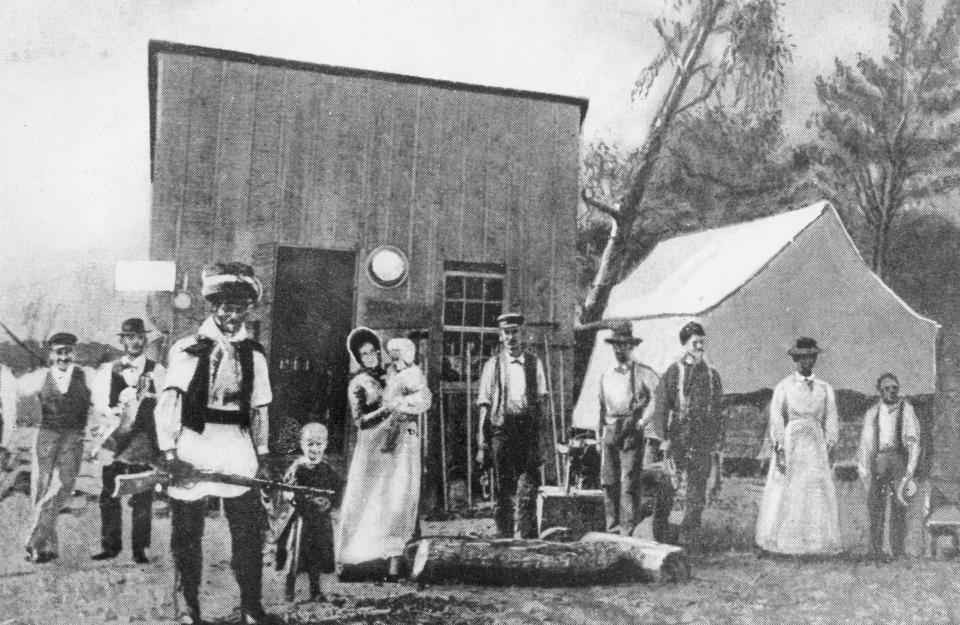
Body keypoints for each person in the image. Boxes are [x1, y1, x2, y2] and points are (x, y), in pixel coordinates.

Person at [153, 262, 279, 625]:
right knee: (187, 532)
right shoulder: (188, 349)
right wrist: (170, 452)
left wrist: (263, 454)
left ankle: (252, 608)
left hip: (237, 446)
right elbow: (169, 402)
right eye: (225, 307)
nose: (232, 315)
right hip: (195, 441)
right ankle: (190, 611)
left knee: (247, 532)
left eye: (239, 308)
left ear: (248, 311)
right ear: (212, 307)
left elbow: (259, 411)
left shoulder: (254, 354)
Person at [339, 331, 431, 579]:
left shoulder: (393, 373)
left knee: (396, 500)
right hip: (372, 449)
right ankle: (359, 559)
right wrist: (386, 409)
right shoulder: (358, 383)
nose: (370, 357)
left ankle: (396, 560)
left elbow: (417, 394)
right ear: (358, 357)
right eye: (364, 354)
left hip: (397, 447)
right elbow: (360, 421)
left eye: (373, 351)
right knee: (369, 501)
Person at [16, 332, 99, 563]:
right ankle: (46, 548)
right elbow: (15, 391)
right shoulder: (40, 376)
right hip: (46, 436)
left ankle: (34, 540)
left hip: (74, 437)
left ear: (75, 352)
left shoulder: (88, 375)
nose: (63, 357)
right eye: (58, 352)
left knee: (64, 485)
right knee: (41, 488)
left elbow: (102, 400)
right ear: (51, 354)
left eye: (67, 351)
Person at [755, 337, 841, 556]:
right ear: (796, 359)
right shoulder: (783, 387)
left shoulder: (825, 389)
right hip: (792, 443)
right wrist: (780, 450)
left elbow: (830, 420)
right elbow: (776, 420)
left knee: (814, 490)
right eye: (802, 358)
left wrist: (829, 445)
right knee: (788, 489)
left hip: (815, 446)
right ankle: (785, 542)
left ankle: (815, 544)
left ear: (815, 359)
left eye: (811, 357)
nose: (806, 362)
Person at [90, 318, 165, 564]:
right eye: (130, 337)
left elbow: (166, 407)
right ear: (122, 340)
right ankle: (110, 545)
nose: (136, 342)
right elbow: (100, 405)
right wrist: (116, 412)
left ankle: (139, 549)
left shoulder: (158, 370)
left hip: (144, 441)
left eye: (140, 337)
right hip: (115, 439)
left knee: (142, 495)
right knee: (109, 493)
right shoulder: (108, 370)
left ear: (146, 340)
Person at [648, 321, 723, 542]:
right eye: (695, 343)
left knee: (698, 486)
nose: (700, 347)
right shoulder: (674, 371)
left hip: (702, 439)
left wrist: (716, 439)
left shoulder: (712, 375)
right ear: (685, 345)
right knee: (669, 483)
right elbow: (661, 405)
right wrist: (663, 438)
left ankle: (690, 535)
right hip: (678, 436)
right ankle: (660, 533)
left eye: (702, 342)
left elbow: (718, 409)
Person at [476, 312, 548, 539]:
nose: (511, 338)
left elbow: (542, 401)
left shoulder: (535, 364)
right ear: (501, 336)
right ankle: (503, 537)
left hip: (526, 431)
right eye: (506, 333)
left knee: (527, 486)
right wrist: (482, 442)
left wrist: (540, 437)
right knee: (502, 487)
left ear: (522, 333)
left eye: (515, 332)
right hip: (501, 431)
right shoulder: (492, 365)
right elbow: (485, 406)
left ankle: (527, 538)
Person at [596, 323, 659, 536]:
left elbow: (658, 398)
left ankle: (627, 530)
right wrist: (600, 435)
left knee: (629, 482)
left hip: (631, 430)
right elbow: (601, 406)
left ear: (631, 346)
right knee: (608, 482)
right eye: (616, 345)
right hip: (610, 430)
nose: (620, 349)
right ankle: (611, 528)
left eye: (624, 345)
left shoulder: (642, 372)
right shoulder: (606, 375)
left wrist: (642, 421)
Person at [857, 373, 920, 561]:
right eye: (887, 388)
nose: (891, 391)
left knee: (899, 504)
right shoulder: (873, 413)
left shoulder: (906, 410)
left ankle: (897, 549)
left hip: (898, 459)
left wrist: (910, 470)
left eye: (894, 388)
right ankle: (876, 549)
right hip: (879, 460)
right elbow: (865, 443)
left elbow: (913, 441)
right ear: (880, 391)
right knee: (875, 505)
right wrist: (864, 469)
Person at [276, 422, 343, 602]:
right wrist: (310, 500)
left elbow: (338, 489)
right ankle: (289, 591)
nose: (314, 449)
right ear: (302, 445)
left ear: (326, 445)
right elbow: (289, 490)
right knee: (296, 554)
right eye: (309, 444)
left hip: (320, 520)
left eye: (319, 444)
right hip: (302, 519)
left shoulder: (327, 469)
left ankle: (315, 590)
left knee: (317, 555)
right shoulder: (298, 467)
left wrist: (328, 502)